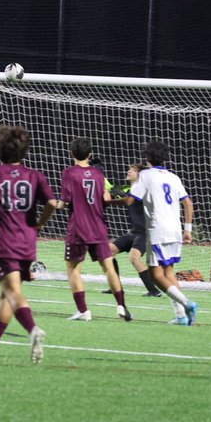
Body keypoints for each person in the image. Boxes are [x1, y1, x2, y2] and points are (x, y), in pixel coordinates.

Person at [0, 125, 59, 364]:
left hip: (4, 242)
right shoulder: (35, 176)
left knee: (12, 292)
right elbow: (51, 202)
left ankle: (33, 330)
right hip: (27, 243)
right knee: (6, 296)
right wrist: (39, 223)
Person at [125, 140, 199, 325]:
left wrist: (107, 202)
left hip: (158, 230)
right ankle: (181, 316)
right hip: (175, 230)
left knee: (155, 275)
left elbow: (129, 200)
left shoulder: (145, 175)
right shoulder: (173, 177)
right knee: (169, 272)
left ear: (147, 157)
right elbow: (188, 203)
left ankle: (186, 303)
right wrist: (187, 230)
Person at [58, 138, 130, 322]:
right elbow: (106, 198)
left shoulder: (69, 173)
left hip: (79, 228)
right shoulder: (98, 174)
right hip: (98, 227)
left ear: (71, 153)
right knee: (108, 268)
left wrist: (55, 205)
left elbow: (65, 201)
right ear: (89, 154)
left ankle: (83, 310)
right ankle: (121, 305)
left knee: (73, 269)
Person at [109, 163, 163, 297]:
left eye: (133, 170)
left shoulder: (144, 190)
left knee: (134, 257)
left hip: (146, 233)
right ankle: (116, 287)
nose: (129, 171)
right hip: (134, 232)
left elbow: (128, 200)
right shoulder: (132, 190)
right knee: (108, 251)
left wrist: (114, 197)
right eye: (129, 169)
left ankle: (154, 290)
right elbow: (125, 198)